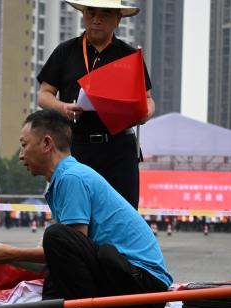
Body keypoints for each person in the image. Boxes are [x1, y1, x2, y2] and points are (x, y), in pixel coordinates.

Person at [0, 110, 172, 308]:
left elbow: (64, 250)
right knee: (57, 239)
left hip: (145, 289)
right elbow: (58, 260)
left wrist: (6, 253)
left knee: (57, 237)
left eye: (24, 145)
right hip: (138, 287)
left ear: (47, 143)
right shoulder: (66, 178)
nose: (21, 155)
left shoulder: (71, 178)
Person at [37, 0, 155, 208]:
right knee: (76, 213)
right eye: (91, 13)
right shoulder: (66, 51)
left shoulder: (129, 55)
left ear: (118, 19)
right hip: (76, 146)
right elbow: (44, 95)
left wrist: (144, 113)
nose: (96, 19)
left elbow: (148, 99)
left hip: (119, 148)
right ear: (83, 15)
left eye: (105, 14)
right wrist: (63, 108)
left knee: (122, 213)